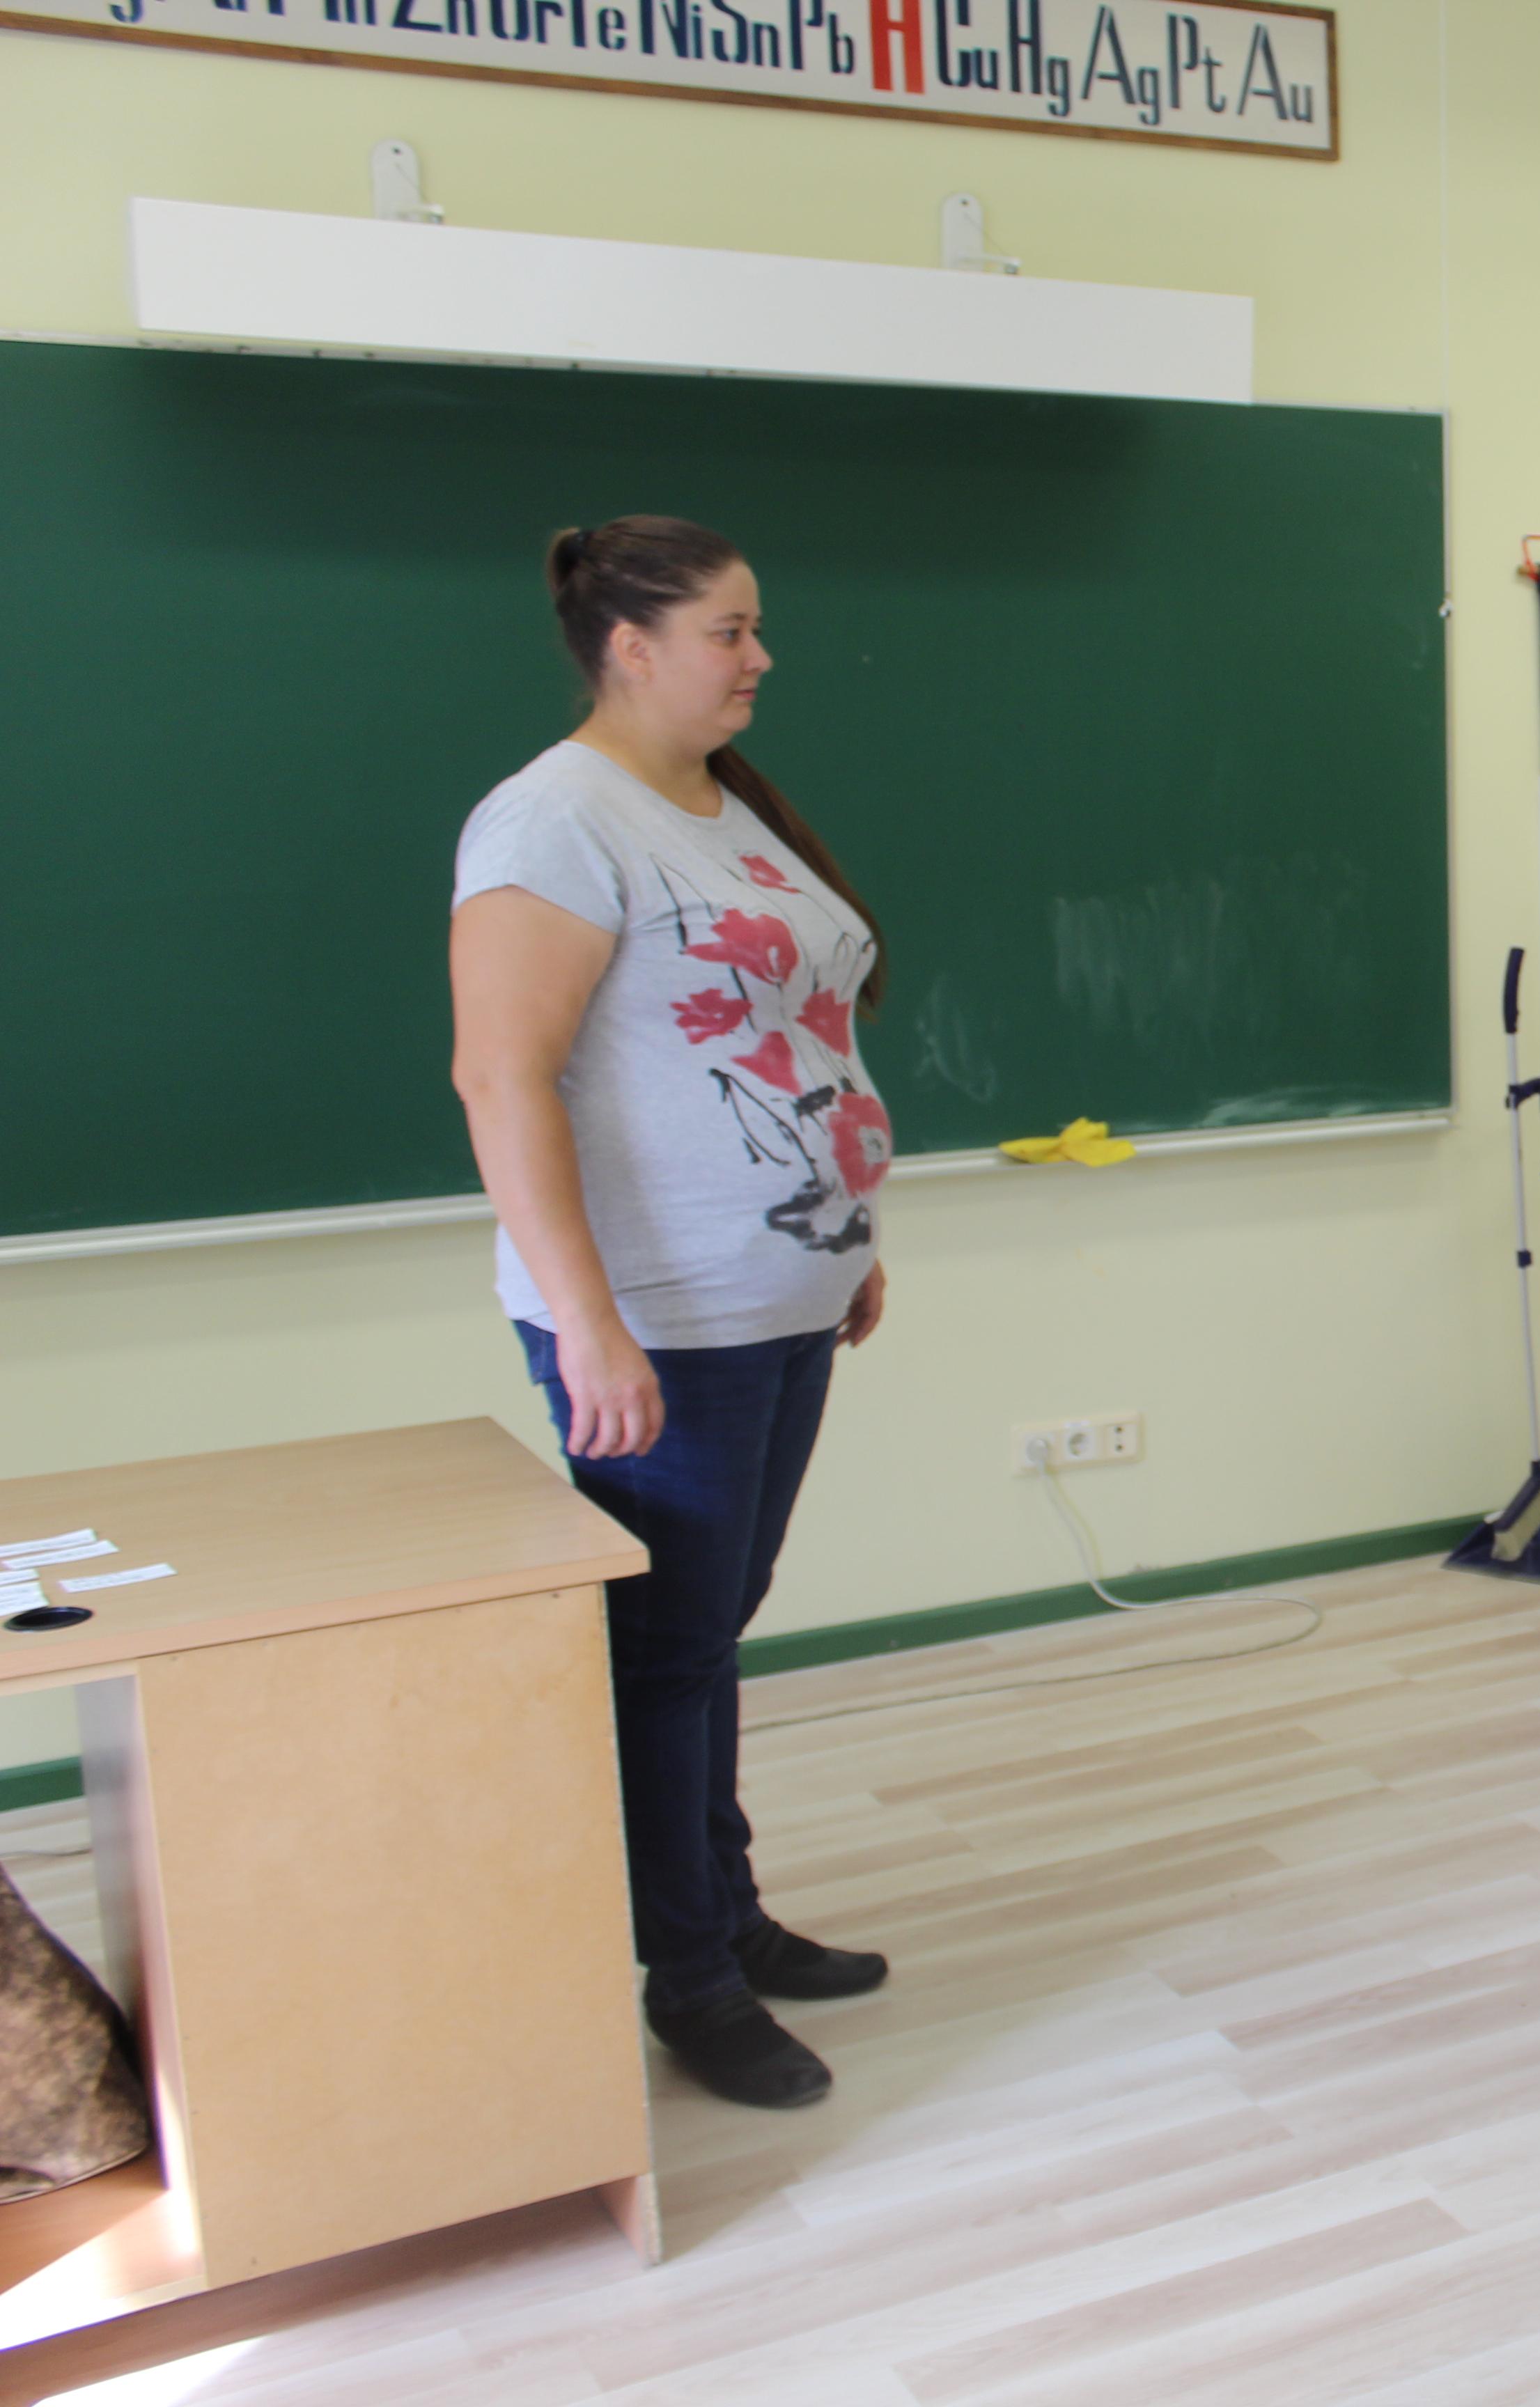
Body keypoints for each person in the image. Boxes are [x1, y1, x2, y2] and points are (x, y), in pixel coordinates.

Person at [449, 516, 896, 2112]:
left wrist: (844, 1240)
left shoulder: (720, 804)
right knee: (664, 1650)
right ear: (629, 646)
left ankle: (728, 1910)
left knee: (708, 1629)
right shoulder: (554, 820)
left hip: (778, 1295)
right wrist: (588, 1323)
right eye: (730, 629)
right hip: (663, 1319)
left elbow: (796, 1035)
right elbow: (501, 1076)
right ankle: (688, 1975)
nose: (760, 655)